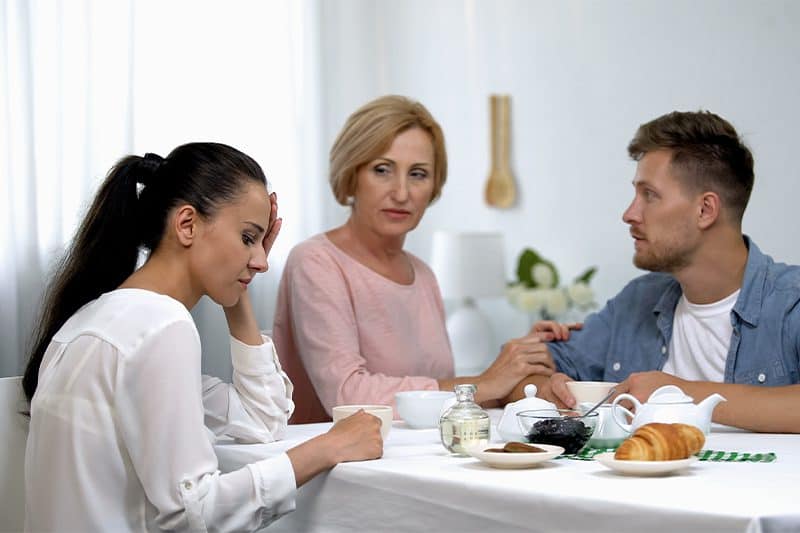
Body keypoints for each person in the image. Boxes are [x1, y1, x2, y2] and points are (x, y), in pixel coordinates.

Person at [22, 143, 383, 532]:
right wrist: (329, 447)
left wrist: (239, 287)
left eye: (262, 243)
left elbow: (262, 423)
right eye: (248, 238)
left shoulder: (93, 319)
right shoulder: (161, 326)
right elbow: (191, 514)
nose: (262, 260)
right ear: (187, 224)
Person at [509, 111, 800, 433]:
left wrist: (675, 393)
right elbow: (523, 375)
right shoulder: (637, 301)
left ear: (705, 210)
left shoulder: (791, 303)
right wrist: (552, 390)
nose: (629, 214)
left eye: (649, 195)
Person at [273, 95, 555, 424]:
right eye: (382, 170)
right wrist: (483, 383)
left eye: (418, 174)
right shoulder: (315, 262)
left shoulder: (422, 274)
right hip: (337, 469)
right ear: (351, 174)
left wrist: (525, 356)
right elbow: (347, 397)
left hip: (413, 460)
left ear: (434, 187)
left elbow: (441, 397)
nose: (402, 193)